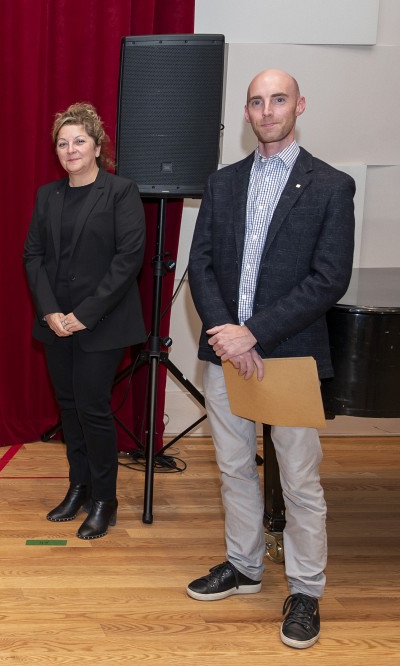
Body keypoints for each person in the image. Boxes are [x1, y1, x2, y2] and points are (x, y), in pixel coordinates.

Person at [186, 70, 355, 650]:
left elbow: (328, 280)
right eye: (257, 101)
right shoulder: (223, 182)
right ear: (248, 113)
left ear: (299, 105)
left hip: (288, 356)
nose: (267, 110)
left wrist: (251, 333)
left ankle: (305, 589)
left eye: (278, 99)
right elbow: (200, 266)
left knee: (301, 483)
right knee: (234, 469)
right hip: (224, 354)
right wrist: (224, 334)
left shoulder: (331, 186)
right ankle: (244, 565)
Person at [23, 103, 146, 540]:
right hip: (55, 322)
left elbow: (129, 259)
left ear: (97, 146)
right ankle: (78, 486)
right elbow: (33, 256)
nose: (70, 149)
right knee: (69, 409)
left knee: (93, 409)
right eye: (62, 142)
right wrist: (51, 311)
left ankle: (104, 499)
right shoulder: (47, 195)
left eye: (79, 141)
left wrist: (83, 316)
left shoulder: (121, 192)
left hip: (103, 324)